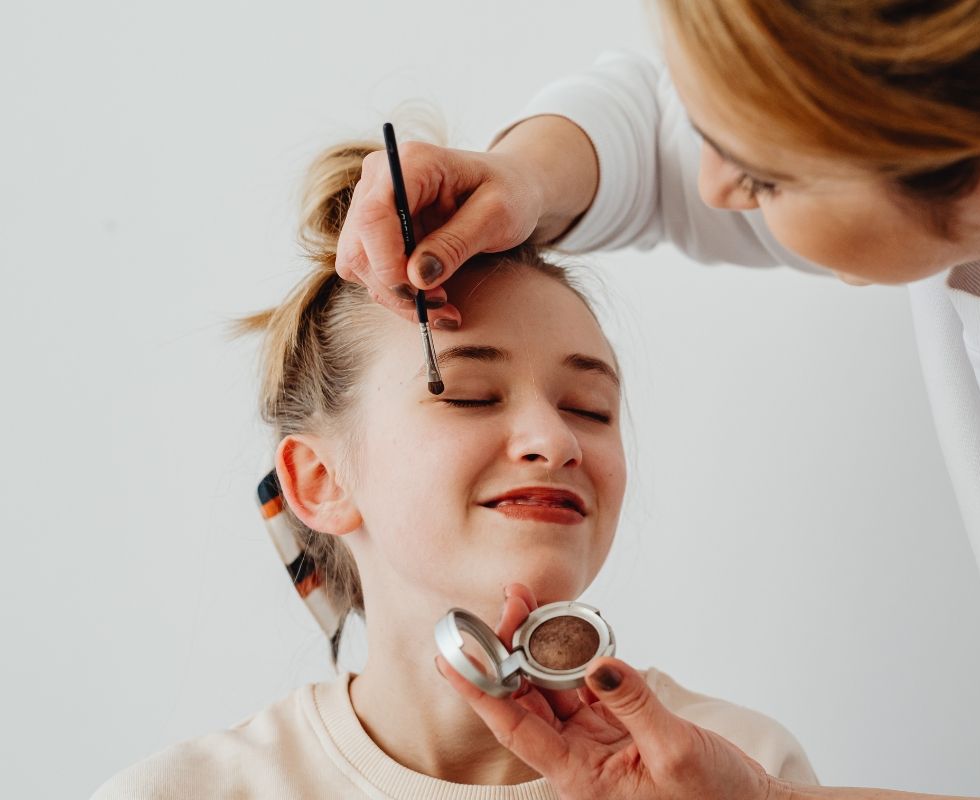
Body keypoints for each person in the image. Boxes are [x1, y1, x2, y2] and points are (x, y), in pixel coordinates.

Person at [333, 1, 980, 799]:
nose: (706, 183)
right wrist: (524, 175)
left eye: (758, 179)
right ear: (316, 475)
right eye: (465, 393)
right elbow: (695, 125)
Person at [93, 142, 816, 799]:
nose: (555, 439)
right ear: (319, 480)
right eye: (469, 396)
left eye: (591, 409)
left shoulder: (738, 769)